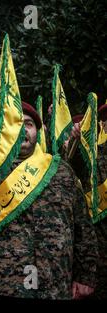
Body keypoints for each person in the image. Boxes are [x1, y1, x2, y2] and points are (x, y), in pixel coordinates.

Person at [0, 100, 98, 299]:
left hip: (55, 282)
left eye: (27, 124)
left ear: (38, 130)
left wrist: (86, 275)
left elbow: (82, 226)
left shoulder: (60, 170)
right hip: (3, 286)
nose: (21, 130)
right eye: (14, 124)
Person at [67, 103, 107, 299]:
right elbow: (71, 167)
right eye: (106, 120)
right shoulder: (93, 156)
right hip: (98, 261)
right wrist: (77, 140)